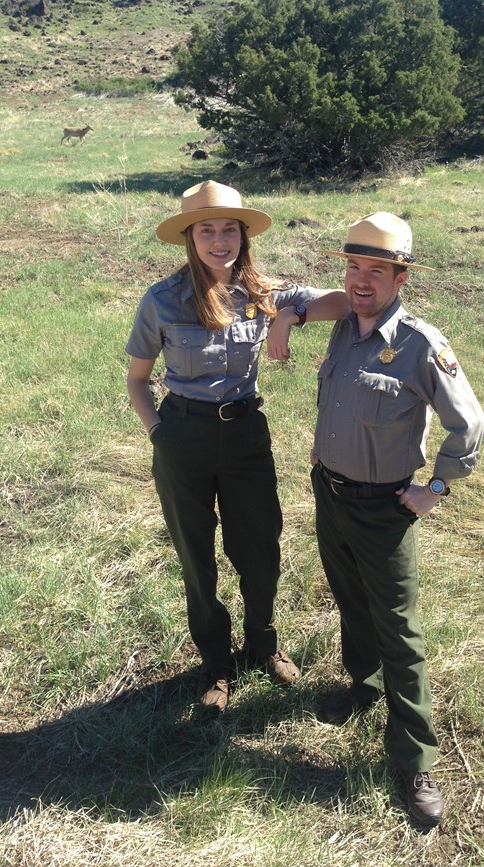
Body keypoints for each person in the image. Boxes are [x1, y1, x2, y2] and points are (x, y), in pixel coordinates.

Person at [125, 180, 349, 713]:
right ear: (190, 238)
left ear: (244, 237)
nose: (219, 240)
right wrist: (161, 434)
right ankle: (216, 663)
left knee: (259, 548)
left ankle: (262, 645)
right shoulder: (161, 300)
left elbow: (342, 302)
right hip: (183, 436)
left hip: (247, 435)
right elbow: (137, 380)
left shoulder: (265, 293)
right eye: (207, 230)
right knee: (196, 557)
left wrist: (289, 316)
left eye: (230, 229)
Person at [309, 212, 484, 827]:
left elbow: (471, 423)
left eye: (376, 270)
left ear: (400, 276)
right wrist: (283, 316)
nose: (361, 280)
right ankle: (359, 685)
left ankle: (414, 763)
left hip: (384, 507)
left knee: (401, 632)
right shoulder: (344, 329)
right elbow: (294, 298)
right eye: (354, 267)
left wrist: (435, 486)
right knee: (349, 598)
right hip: (329, 495)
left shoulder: (420, 344)